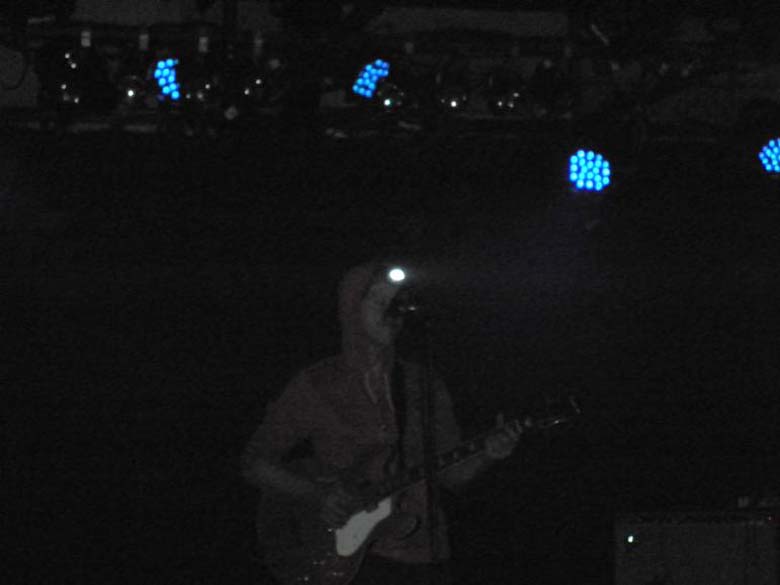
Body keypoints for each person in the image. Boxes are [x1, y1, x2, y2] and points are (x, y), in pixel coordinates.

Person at [241, 261, 520, 584]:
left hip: (427, 552)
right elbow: (255, 462)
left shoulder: (424, 383)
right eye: (378, 299)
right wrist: (318, 495)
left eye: (397, 300)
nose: (392, 309)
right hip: (358, 558)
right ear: (352, 308)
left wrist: (489, 452)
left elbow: (452, 475)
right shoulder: (317, 383)